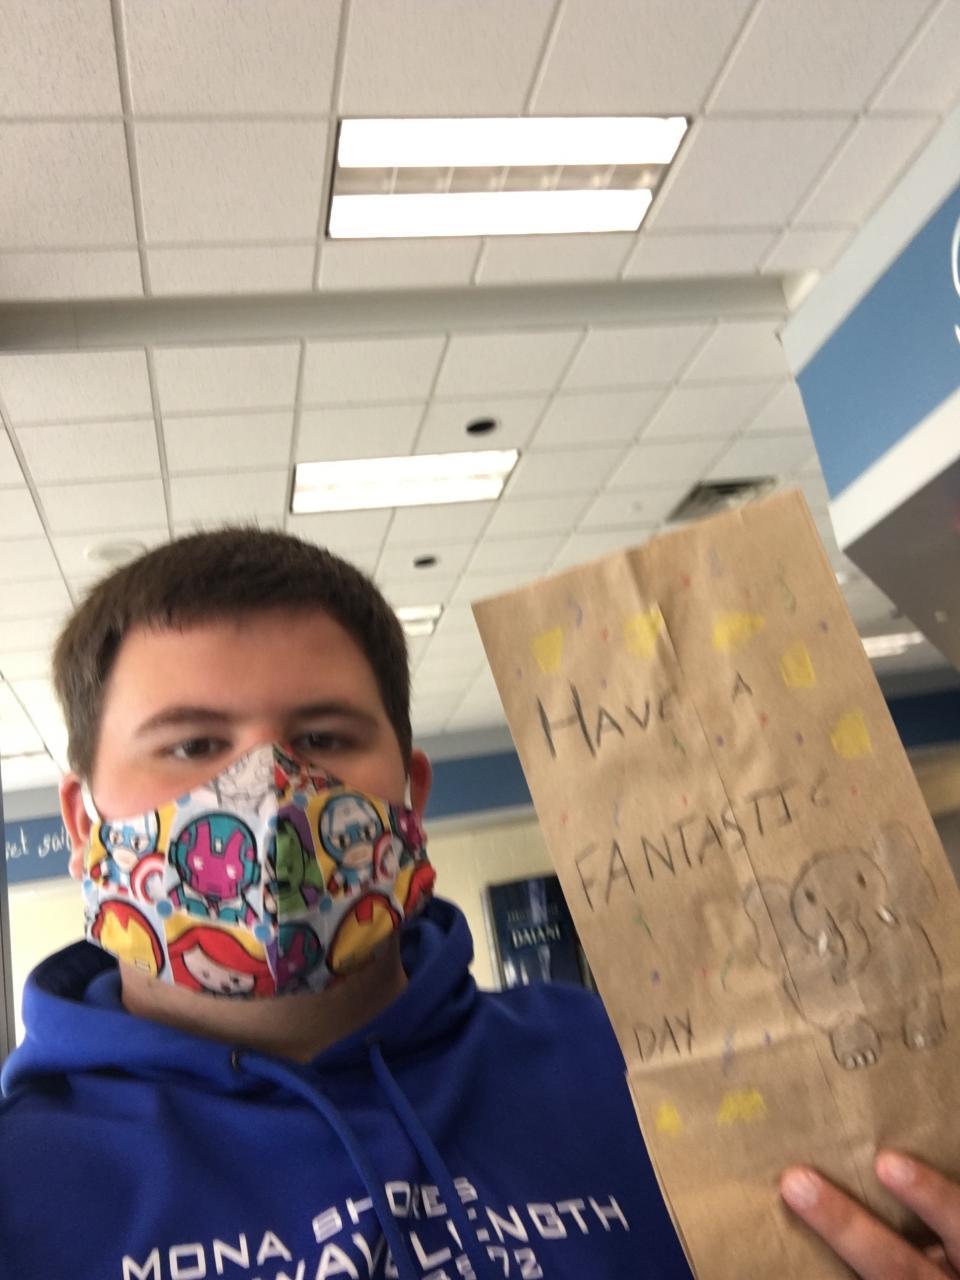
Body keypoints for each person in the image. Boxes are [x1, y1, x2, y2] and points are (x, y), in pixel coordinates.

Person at [0, 528, 955, 1280]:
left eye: (323, 737)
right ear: (83, 821)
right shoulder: (25, 1186)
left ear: (410, 796)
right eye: (193, 746)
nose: (269, 794)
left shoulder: (642, 1068)